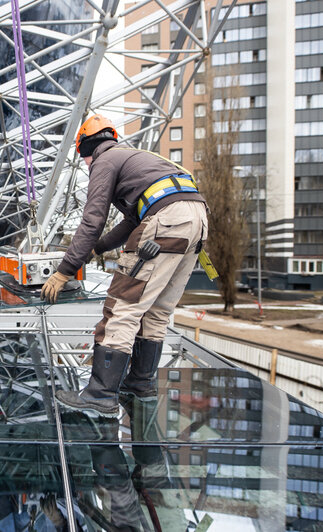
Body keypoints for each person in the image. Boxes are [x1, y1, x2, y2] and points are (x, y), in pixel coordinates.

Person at [42, 114, 208, 417]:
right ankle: (139, 383)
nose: (87, 166)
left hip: (167, 220)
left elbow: (93, 220)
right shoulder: (139, 160)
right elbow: (132, 223)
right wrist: (97, 249)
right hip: (196, 221)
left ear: (87, 151)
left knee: (123, 306)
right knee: (157, 310)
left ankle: (100, 394)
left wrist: (65, 269)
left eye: (85, 161)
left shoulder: (105, 161)